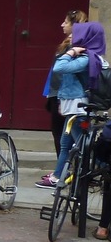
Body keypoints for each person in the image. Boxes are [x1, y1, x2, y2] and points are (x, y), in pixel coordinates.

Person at [38, 20, 108, 189]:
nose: (71, 36)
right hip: (72, 106)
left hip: (78, 108)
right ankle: (57, 177)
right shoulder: (87, 56)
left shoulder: (85, 58)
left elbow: (59, 67)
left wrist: (71, 52)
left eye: (77, 33)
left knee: (85, 147)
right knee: (65, 144)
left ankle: (104, 169)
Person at [43, 10, 85, 156]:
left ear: (74, 25)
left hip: (64, 96)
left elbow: (65, 73)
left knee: (64, 135)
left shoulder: (75, 47)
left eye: (66, 22)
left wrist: (61, 99)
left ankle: (69, 169)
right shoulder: (67, 44)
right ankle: (62, 170)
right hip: (56, 93)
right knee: (61, 136)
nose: (62, 25)